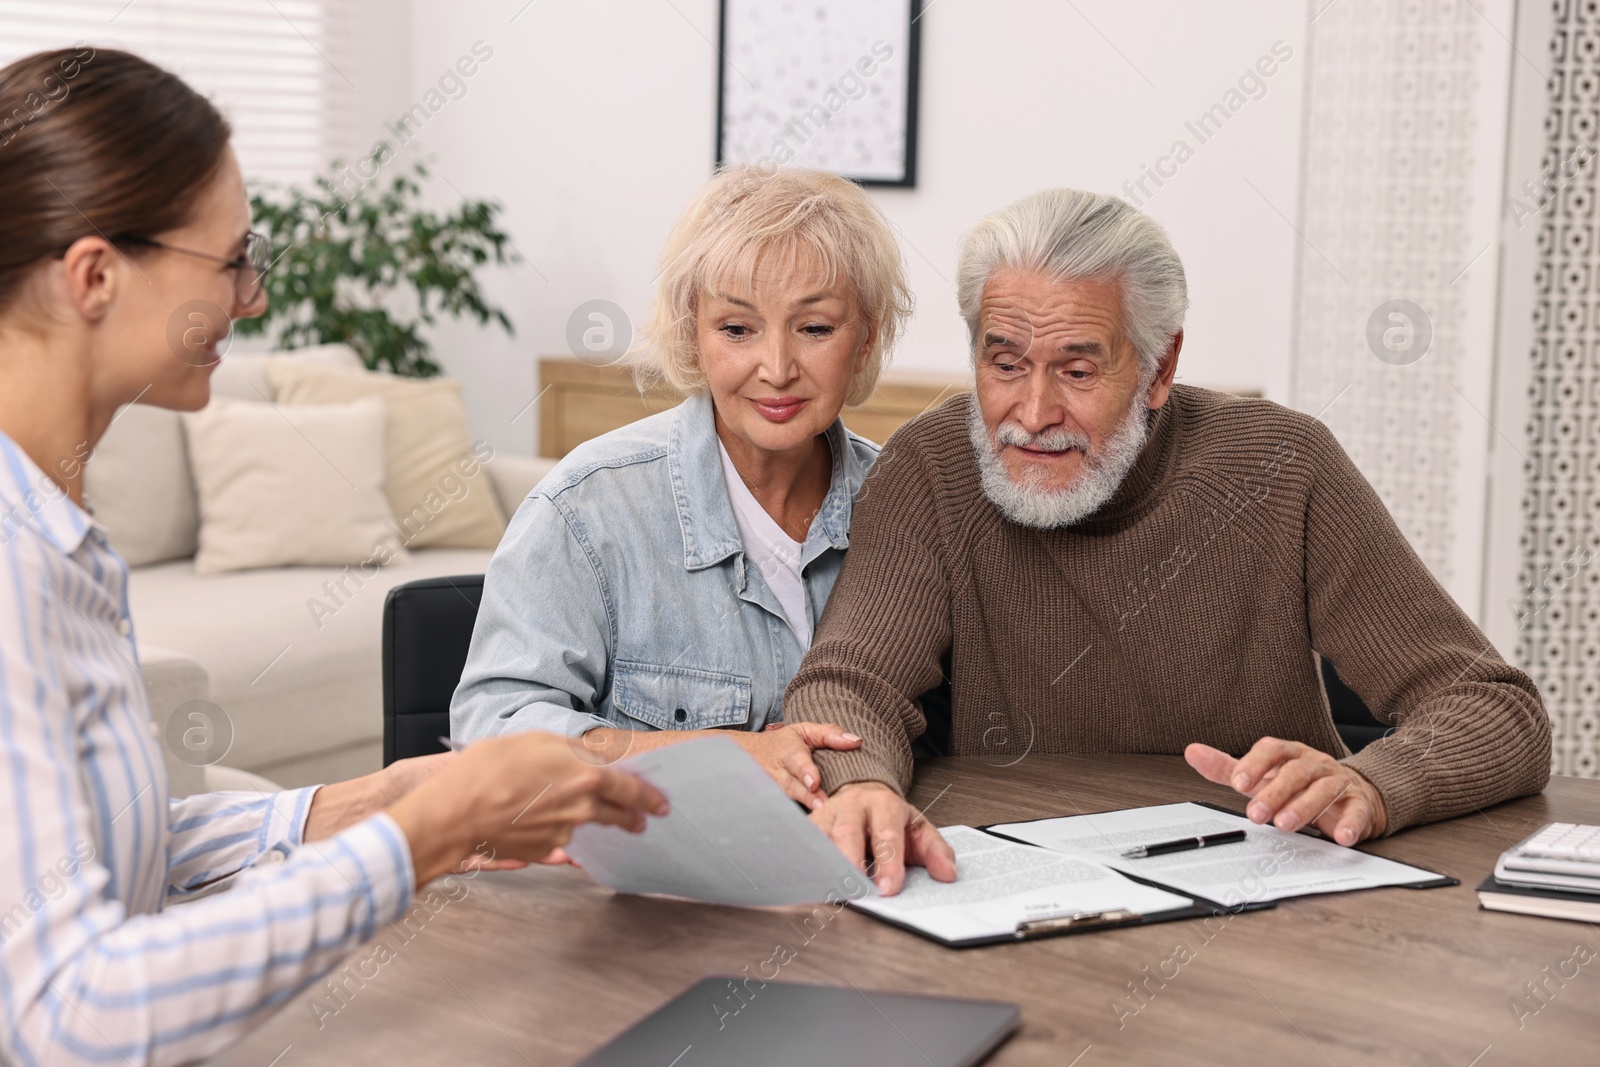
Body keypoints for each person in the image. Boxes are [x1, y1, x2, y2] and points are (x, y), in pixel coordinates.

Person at [0, 49, 668, 1067]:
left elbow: (100, 860)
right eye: (230, 262)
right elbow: (70, 1013)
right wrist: (424, 835)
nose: (254, 298)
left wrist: (370, 800)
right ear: (94, 275)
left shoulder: (59, 535)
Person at [784, 187, 1552, 893]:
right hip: (1015, 885)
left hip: (1264, 897)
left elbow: (1493, 707)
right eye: (1005, 362)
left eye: (1078, 371)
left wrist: (1377, 783)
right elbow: (849, 687)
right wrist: (861, 787)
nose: (1034, 410)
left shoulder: (1283, 464)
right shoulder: (932, 466)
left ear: (1160, 368)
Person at [451, 165, 912, 810]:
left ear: (863, 339)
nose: (777, 370)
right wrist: (711, 756)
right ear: (693, 334)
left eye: (814, 329)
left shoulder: (905, 506)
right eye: (736, 329)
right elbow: (490, 735)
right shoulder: (588, 509)